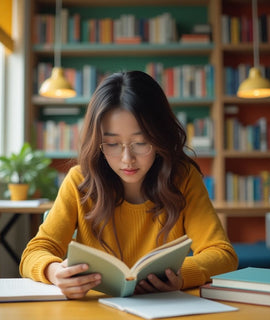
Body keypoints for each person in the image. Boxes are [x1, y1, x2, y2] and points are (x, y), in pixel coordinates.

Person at [20, 70, 238, 299]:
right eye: (112, 143)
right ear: (98, 142)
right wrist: (54, 272)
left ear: (159, 137)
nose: (127, 159)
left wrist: (181, 275)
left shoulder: (183, 180)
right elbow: (34, 252)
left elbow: (223, 255)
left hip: (163, 309)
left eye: (141, 142)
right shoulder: (80, 181)